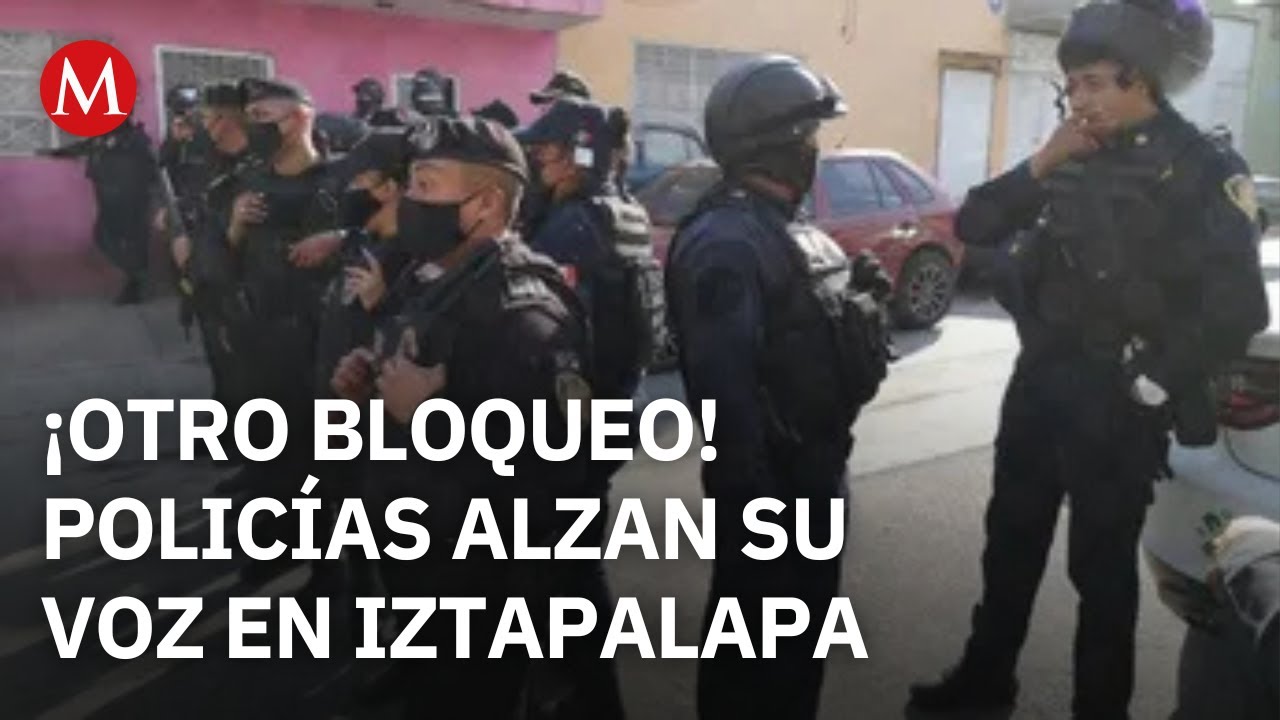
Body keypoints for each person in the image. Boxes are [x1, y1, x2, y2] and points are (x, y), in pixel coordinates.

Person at [908, 2, 1270, 718]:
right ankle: (984, 684)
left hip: (1119, 399)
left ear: (1144, 80)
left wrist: (1156, 380)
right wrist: (1043, 160)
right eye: (1071, 85)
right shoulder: (1069, 154)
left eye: (1096, 83)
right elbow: (975, 222)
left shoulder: (1203, 168)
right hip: (1040, 384)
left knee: (1100, 576)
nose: (1080, 99)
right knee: (1008, 546)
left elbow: (1239, 308)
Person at [328, 115, 594, 719]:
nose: (410, 199)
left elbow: (550, 476)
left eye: (427, 185)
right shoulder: (436, 278)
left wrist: (429, 417)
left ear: (486, 204)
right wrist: (371, 382)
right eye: (410, 183)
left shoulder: (524, 313)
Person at [664, 55, 891, 720]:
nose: (816, 151)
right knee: (753, 670)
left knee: (798, 659)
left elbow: (814, 352)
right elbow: (724, 396)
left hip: (816, 477)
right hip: (769, 494)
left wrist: (862, 310)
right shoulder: (726, 242)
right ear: (778, 144)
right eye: (809, 137)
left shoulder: (784, 226)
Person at [229, 77, 345, 582]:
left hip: (325, 340)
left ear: (299, 118)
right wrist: (234, 224)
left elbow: (387, 240)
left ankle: (329, 566)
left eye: (262, 117)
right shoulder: (248, 179)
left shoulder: (341, 181)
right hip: (264, 337)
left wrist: (341, 237)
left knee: (326, 459)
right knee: (267, 450)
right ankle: (271, 545)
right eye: (249, 118)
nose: (252, 128)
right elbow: (220, 259)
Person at [39, 116, 157, 304]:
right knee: (103, 237)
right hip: (107, 194)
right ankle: (135, 275)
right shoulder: (102, 137)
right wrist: (56, 152)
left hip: (128, 199)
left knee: (129, 239)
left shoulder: (136, 138)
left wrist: (140, 193)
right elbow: (82, 147)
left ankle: (135, 282)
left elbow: (149, 168)